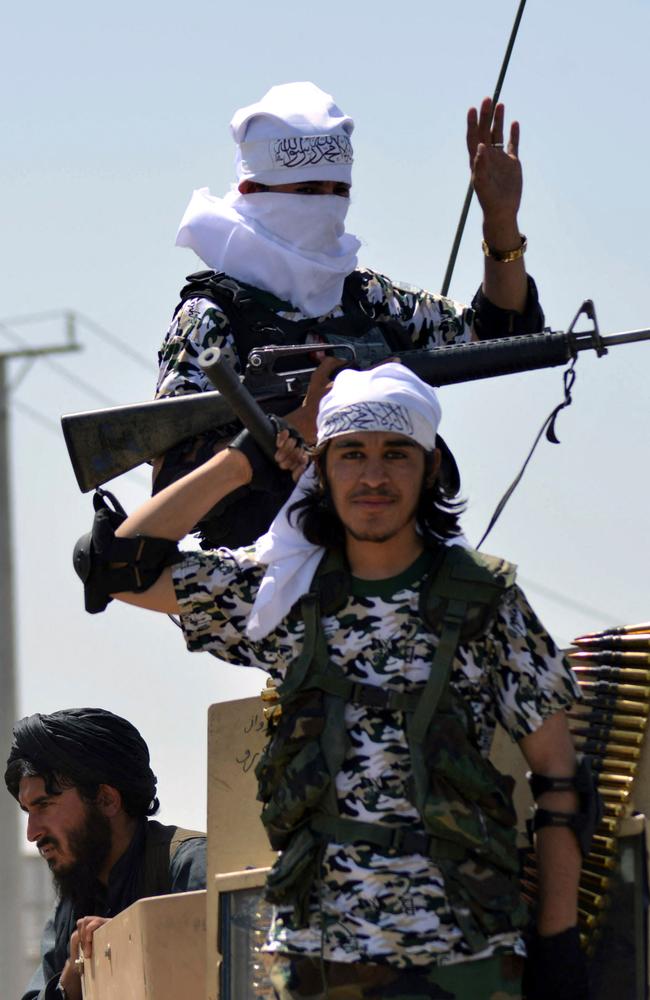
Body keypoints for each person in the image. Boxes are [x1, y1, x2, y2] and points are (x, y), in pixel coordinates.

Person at [76, 363, 595, 999]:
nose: (373, 476)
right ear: (324, 469)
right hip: (320, 962)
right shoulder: (285, 596)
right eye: (351, 454)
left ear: (429, 469)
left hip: (466, 958)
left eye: (395, 454)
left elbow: (561, 780)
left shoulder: (485, 599)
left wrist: (559, 941)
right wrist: (246, 457)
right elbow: (117, 567)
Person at [152, 80, 545, 549]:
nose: (326, 203)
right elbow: (172, 484)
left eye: (338, 189)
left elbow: (498, 334)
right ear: (252, 189)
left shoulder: (365, 297)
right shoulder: (210, 317)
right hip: (257, 586)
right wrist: (294, 426)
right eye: (309, 190)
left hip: (378, 574)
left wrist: (499, 222)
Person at [5, 708, 206, 1000]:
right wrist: (70, 982)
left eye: (44, 805)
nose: (32, 832)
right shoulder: (70, 908)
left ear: (106, 800)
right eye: (28, 812)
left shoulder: (189, 867)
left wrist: (131, 945)